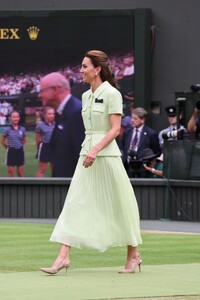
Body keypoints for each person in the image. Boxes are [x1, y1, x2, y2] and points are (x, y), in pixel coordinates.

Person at [40, 50, 142, 275]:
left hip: (106, 156)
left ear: (97, 69)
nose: (81, 70)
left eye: (85, 66)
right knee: (74, 203)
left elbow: (115, 129)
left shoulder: (112, 93)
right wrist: (90, 150)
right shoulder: (85, 96)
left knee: (120, 205)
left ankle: (133, 254)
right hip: (85, 156)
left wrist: (96, 150)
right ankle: (62, 258)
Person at [38, 72, 85, 177]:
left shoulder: (78, 113)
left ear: (55, 90)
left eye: (42, 91)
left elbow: (84, 159)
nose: (39, 95)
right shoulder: (63, 112)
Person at [122, 107, 161, 177]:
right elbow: (123, 147)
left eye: (135, 118)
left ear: (142, 120)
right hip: (127, 169)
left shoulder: (151, 134)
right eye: (132, 118)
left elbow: (156, 152)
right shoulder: (127, 132)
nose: (132, 120)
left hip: (143, 170)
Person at [1, 111, 26, 177]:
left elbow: (24, 140)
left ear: (19, 118)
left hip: (20, 151)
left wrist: (20, 146)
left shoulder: (22, 129)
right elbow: (3, 141)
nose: (16, 119)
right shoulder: (7, 129)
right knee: (10, 173)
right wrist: (8, 148)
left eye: (17, 117)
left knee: (20, 173)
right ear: (10, 118)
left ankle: (21, 186)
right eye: (14, 117)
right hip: (11, 152)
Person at [35, 106, 55, 177]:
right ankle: (38, 186)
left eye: (53, 114)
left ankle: (54, 185)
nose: (51, 115)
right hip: (44, 147)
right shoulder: (40, 125)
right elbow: (37, 139)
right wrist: (39, 149)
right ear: (45, 115)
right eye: (49, 114)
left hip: (54, 148)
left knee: (54, 169)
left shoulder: (55, 124)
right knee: (42, 169)